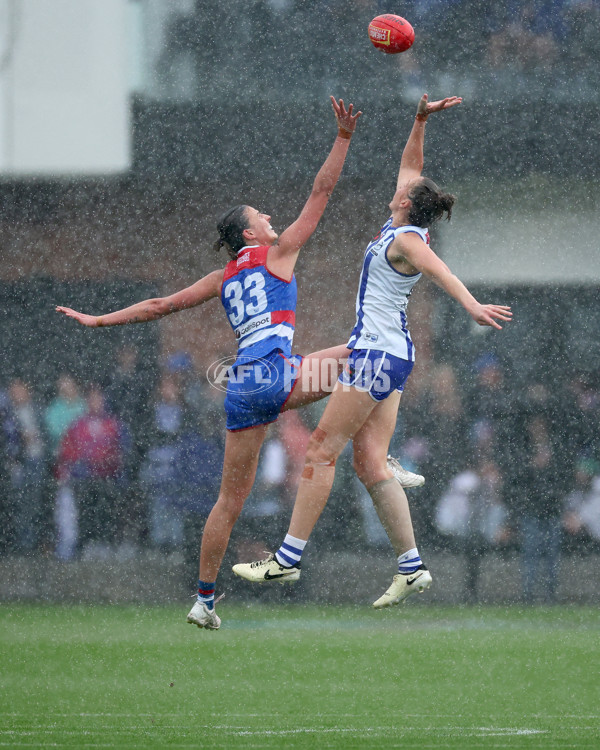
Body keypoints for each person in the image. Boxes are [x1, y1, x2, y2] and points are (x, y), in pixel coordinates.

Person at [56, 97, 365, 629]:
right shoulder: (279, 252)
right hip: (277, 374)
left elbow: (159, 307)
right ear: (250, 234)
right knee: (374, 357)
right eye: (260, 215)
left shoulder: (223, 278)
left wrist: (98, 321)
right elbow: (322, 191)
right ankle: (375, 465)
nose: (270, 217)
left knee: (228, 501)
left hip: (246, 384)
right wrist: (342, 138)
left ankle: (203, 599)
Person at [233, 93, 512, 608]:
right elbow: (412, 164)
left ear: (407, 202)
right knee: (369, 465)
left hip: (378, 356)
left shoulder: (408, 239)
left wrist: (471, 305)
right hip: (388, 354)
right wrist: (419, 120)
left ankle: (287, 559)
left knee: (321, 449)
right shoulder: (404, 220)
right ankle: (412, 566)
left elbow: (439, 270)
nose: (400, 185)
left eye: (406, 190)